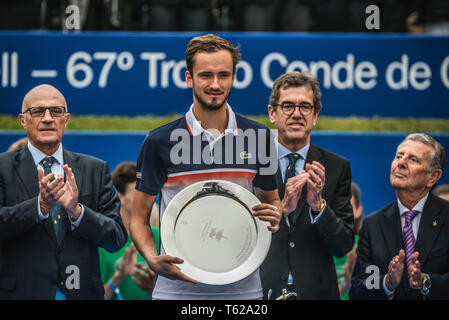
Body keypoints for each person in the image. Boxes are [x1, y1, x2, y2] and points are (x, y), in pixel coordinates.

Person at [130, 34, 282, 300]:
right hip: (175, 292)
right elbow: (138, 218)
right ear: (189, 78)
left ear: (234, 77)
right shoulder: (158, 141)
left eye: (223, 75)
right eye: (205, 75)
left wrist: (276, 214)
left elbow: (272, 203)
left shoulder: (260, 138)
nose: (215, 84)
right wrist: (152, 258)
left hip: (243, 292)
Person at [0, 84, 127, 299]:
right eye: (38, 111)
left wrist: (77, 212)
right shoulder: (3, 168)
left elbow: (116, 238)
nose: (48, 118)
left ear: (66, 119)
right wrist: (38, 207)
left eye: (56, 111)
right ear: (22, 120)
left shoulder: (95, 169)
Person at [260, 71, 354, 300]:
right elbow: (238, 235)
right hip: (260, 292)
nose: (296, 114)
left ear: (315, 115)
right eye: (288, 106)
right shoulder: (252, 162)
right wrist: (281, 208)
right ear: (272, 113)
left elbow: (343, 245)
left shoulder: (336, 167)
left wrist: (318, 206)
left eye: (305, 107)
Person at [350, 133, 449, 300]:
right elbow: (359, 289)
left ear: (433, 176)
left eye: (413, 160)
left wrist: (425, 281)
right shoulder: (373, 225)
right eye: (398, 156)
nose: (401, 163)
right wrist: (388, 282)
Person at [99, 161, 159, 300]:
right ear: (119, 197)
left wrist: (151, 289)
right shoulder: (100, 242)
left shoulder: (158, 237)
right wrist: (118, 277)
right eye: (137, 192)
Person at [336, 182, 363, 299]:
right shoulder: (318, 249)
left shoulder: (366, 246)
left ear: (358, 211)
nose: (340, 214)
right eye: (335, 207)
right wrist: (345, 283)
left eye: (347, 207)